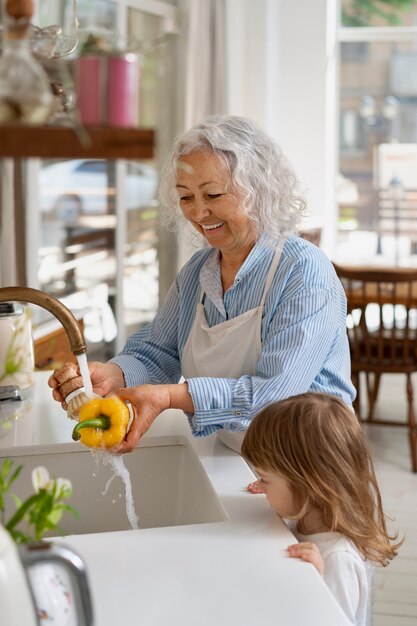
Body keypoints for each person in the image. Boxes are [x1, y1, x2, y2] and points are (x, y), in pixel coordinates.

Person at [48, 115, 355, 456]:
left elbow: (275, 395)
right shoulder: (198, 272)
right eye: (186, 197)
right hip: (243, 455)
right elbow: (159, 351)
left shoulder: (303, 272)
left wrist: (169, 396)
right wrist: (113, 374)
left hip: (313, 465)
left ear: (258, 190)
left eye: (212, 194)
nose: (198, 213)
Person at [241, 392, 402, 626]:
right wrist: (269, 488)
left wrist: (317, 581)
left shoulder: (338, 560)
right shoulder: (304, 518)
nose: (262, 486)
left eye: (265, 479)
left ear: (307, 486)